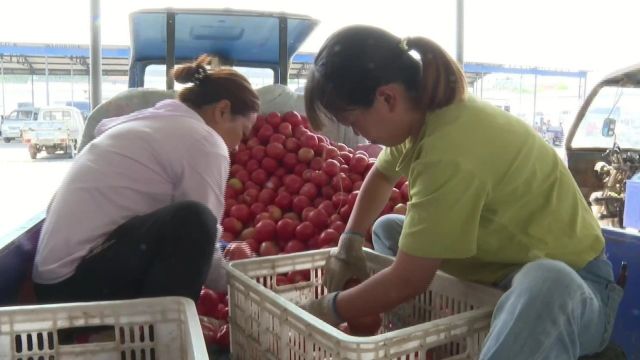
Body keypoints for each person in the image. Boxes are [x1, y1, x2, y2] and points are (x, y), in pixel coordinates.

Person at [302, 25, 623, 359]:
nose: (357, 132)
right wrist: (350, 238)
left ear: (387, 98)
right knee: (388, 231)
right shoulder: (422, 123)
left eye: (353, 121)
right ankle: (431, 341)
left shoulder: (451, 146)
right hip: (498, 276)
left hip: (578, 291)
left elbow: (409, 279)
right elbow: (381, 176)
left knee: (548, 281)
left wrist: (328, 308)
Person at [32, 55, 259, 304]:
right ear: (222, 110)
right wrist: (250, 284)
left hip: (54, 283)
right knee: (195, 220)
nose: (238, 147)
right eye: (242, 132)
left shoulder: (155, 121)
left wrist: (222, 253)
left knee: (191, 221)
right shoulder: (204, 141)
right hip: (75, 288)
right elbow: (201, 237)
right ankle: (164, 336)